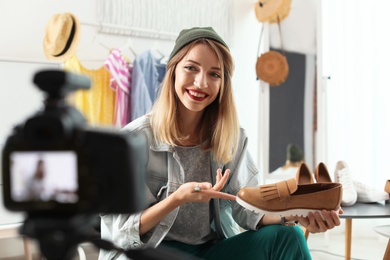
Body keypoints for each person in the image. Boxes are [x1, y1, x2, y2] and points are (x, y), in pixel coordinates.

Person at [99, 27, 341, 260]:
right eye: (191, 68)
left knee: (289, 236)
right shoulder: (135, 139)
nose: (201, 83)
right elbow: (120, 231)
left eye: (214, 74)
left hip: (207, 252)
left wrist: (293, 216)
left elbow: (246, 208)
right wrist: (176, 199)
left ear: (223, 83)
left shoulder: (231, 138)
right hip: (150, 252)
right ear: (173, 70)